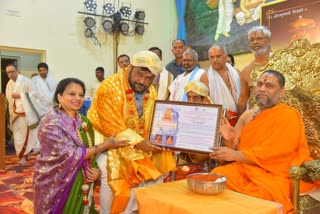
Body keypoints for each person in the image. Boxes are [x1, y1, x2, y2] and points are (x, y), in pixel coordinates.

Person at [209, 70, 319, 213]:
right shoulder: (247, 115)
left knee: (264, 192)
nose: (262, 88)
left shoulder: (288, 115)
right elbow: (232, 150)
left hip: (276, 172)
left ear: (281, 92)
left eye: (269, 86)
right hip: (245, 168)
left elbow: (275, 153)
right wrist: (228, 138)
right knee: (217, 177)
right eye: (260, 84)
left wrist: (234, 155)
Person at [87, 51, 176, 214]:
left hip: (137, 143)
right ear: (130, 68)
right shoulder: (109, 87)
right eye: (139, 74)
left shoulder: (150, 92)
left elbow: (151, 120)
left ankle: (139, 208)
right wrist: (140, 144)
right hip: (108, 144)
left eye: (148, 78)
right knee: (111, 179)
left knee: (158, 167)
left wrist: (162, 139)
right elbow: (111, 125)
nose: (142, 81)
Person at [33, 78, 129, 214]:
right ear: (59, 96)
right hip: (56, 182)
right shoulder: (51, 122)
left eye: (81, 94)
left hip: (82, 181)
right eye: (72, 94)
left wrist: (97, 172)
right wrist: (106, 145)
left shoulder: (84, 122)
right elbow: (70, 154)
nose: (77, 98)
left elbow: (90, 149)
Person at [5, 64, 39, 165]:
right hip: (15, 113)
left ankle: (26, 153)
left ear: (17, 71)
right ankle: (21, 155)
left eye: (12, 71)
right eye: (8, 72)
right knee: (18, 136)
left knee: (28, 136)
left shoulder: (26, 81)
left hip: (26, 113)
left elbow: (35, 94)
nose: (10, 74)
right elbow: (8, 98)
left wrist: (21, 95)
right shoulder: (9, 84)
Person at [200, 45, 240, 126]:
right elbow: (204, 102)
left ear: (225, 56)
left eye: (218, 56)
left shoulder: (237, 73)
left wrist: (240, 115)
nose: (215, 60)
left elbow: (244, 96)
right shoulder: (205, 77)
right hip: (219, 121)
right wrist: (222, 113)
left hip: (239, 117)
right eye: (212, 57)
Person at [237, 26, 272, 116]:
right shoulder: (246, 71)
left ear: (268, 40)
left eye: (259, 38)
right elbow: (242, 101)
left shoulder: (281, 62)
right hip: (256, 119)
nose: (255, 42)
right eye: (252, 40)